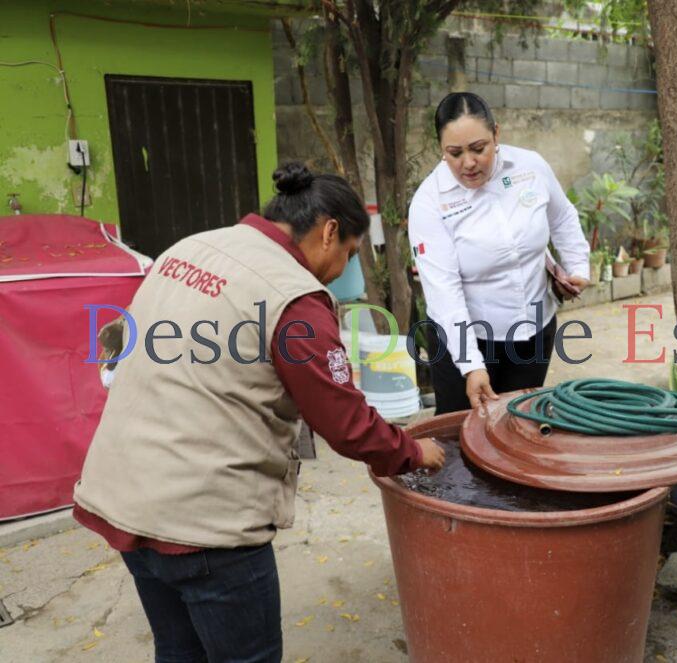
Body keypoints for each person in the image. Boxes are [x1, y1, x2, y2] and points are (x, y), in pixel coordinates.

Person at [73, 163, 446, 663]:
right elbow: (348, 426)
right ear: (329, 231)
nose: (343, 270)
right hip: (207, 527)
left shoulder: (188, 248)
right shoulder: (294, 298)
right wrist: (413, 451)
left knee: (179, 652)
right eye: (350, 253)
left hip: (123, 498)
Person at [408, 92, 592, 414]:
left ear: (496, 134)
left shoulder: (530, 167)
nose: (468, 162)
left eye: (478, 148)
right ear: (441, 149)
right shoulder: (429, 202)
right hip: (466, 340)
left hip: (534, 330)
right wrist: (471, 365)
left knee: (520, 424)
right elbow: (444, 292)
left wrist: (577, 266)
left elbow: (562, 216)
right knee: (463, 432)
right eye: (454, 153)